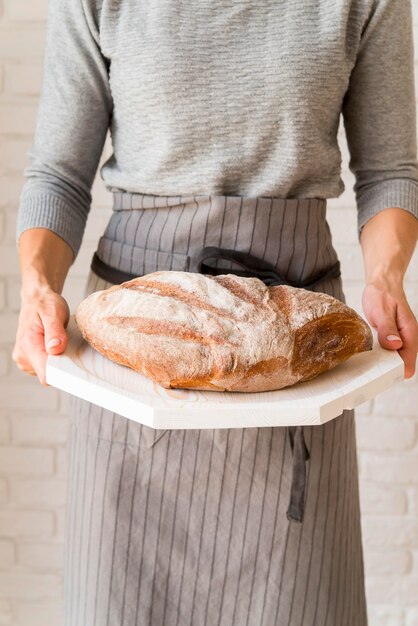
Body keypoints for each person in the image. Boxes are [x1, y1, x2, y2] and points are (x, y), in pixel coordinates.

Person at [12, 0, 418, 624]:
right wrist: (37, 285)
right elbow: (60, 174)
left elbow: (390, 170)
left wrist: (387, 279)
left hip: (297, 345)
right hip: (136, 351)